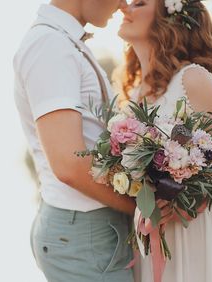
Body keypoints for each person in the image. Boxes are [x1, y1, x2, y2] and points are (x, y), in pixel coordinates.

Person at [118, 0, 212, 281]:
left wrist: (191, 198)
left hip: (193, 234)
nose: (125, 7)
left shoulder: (191, 79)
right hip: (150, 235)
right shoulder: (132, 95)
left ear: (168, 19)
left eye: (140, 3)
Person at [13, 1, 136, 281]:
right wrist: (141, 207)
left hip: (91, 230)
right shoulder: (50, 46)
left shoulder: (64, 43)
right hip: (84, 235)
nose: (123, 4)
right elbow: (68, 164)